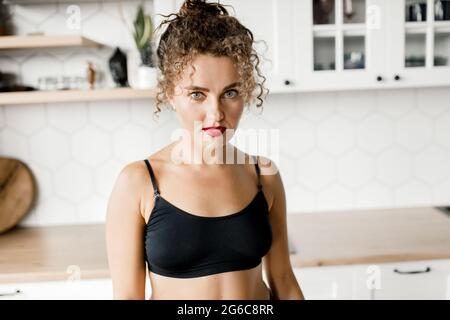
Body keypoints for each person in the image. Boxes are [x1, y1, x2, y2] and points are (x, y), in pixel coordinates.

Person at [105, 0, 304, 300]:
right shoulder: (139, 183)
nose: (216, 113)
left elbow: (284, 282)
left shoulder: (263, 175)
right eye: (198, 94)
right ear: (171, 94)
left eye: (231, 93)